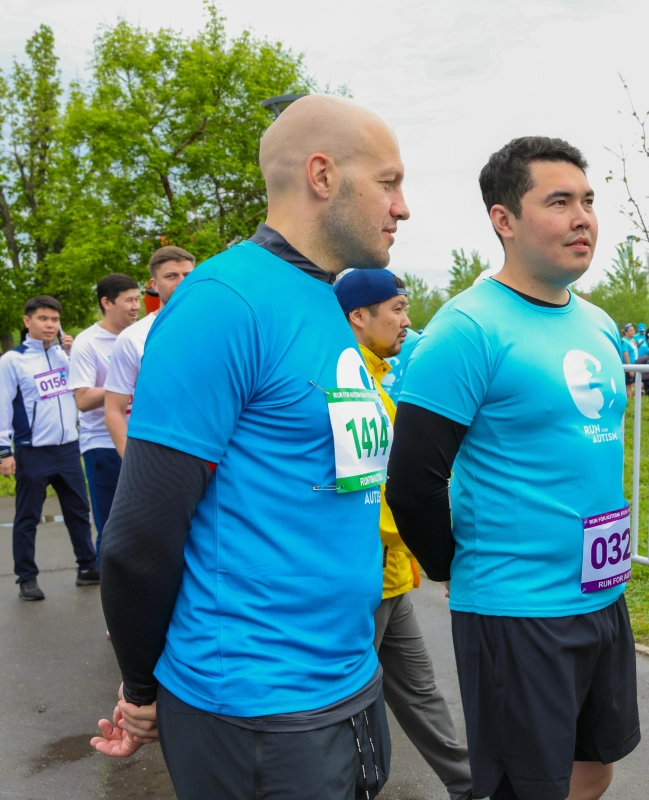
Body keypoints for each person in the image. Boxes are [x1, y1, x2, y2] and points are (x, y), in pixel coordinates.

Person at [90, 95, 408, 800]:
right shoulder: (222, 302)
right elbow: (138, 537)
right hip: (255, 706)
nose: (403, 207)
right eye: (389, 182)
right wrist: (142, 688)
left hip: (349, 679)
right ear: (322, 175)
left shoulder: (325, 302)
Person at [389, 136, 638, 800]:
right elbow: (413, 477)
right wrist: (453, 565)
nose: (583, 216)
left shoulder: (599, 323)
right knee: (526, 789)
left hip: (602, 595)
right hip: (517, 610)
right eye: (559, 201)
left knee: (596, 769)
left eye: (587, 200)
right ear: (504, 219)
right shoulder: (468, 328)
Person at [335, 269, 474, 800]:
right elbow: (372, 492)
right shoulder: (346, 384)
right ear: (358, 317)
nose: (406, 320)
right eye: (396, 308)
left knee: (420, 694)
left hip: (391, 574)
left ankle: (472, 787)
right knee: (349, 703)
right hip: (362, 577)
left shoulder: (376, 378)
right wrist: (433, 539)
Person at [1, 295, 96, 601]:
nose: (50, 325)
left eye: (54, 320)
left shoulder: (63, 356)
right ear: (28, 321)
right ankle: (26, 577)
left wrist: (71, 353)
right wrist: (4, 450)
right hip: (33, 450)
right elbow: (2, 406)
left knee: (79, 511)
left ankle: (87, 566)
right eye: (43, 319)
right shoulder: (12, 361)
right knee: (28, 517)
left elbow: (82, 390)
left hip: (68, 448)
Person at [67, 273, 141, 556]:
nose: (136, 306)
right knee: (112, 529)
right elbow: (83, 400)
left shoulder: (142, 335)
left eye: (137, 299)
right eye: (129, 301)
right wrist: (123, 382)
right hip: (103, 446)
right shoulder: (88, 342)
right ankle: (111, 595)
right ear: (107, 303)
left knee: (144, 524)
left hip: (142, 440)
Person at [103, 247, 195, 457]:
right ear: (153, 284)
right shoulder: (133, 338)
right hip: (157, 453)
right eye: (171, 276)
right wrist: (132, 464)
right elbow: (113, 411)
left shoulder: (218, 330)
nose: (181, 281)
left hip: (212, 453)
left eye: (188, 275)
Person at [620, 323, 639, 399]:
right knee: (629, 385)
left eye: (633, 330)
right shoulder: (624, 341)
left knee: (632, 384)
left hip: (633, 365)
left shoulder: (631, 340)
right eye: (630, 330)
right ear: (626, 332)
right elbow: (625, 354)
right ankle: (630, 400)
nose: (633, 332)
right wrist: (629, 368)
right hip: (628, 365)